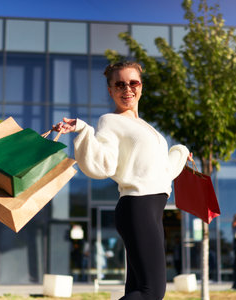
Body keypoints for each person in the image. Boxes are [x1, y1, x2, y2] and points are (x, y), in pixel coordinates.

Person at [53, 61, 192, 299]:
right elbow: (104, 162)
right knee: (152, 292)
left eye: (133, 82)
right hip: (137, 207)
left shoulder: (145, 126)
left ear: (141, 86)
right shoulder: (110, 121)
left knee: (138, 290)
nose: (127, 89)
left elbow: (161, 172)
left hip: (151, 209)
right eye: (119, 84)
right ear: (110, 90)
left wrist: (180, 152)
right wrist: (84, 130)